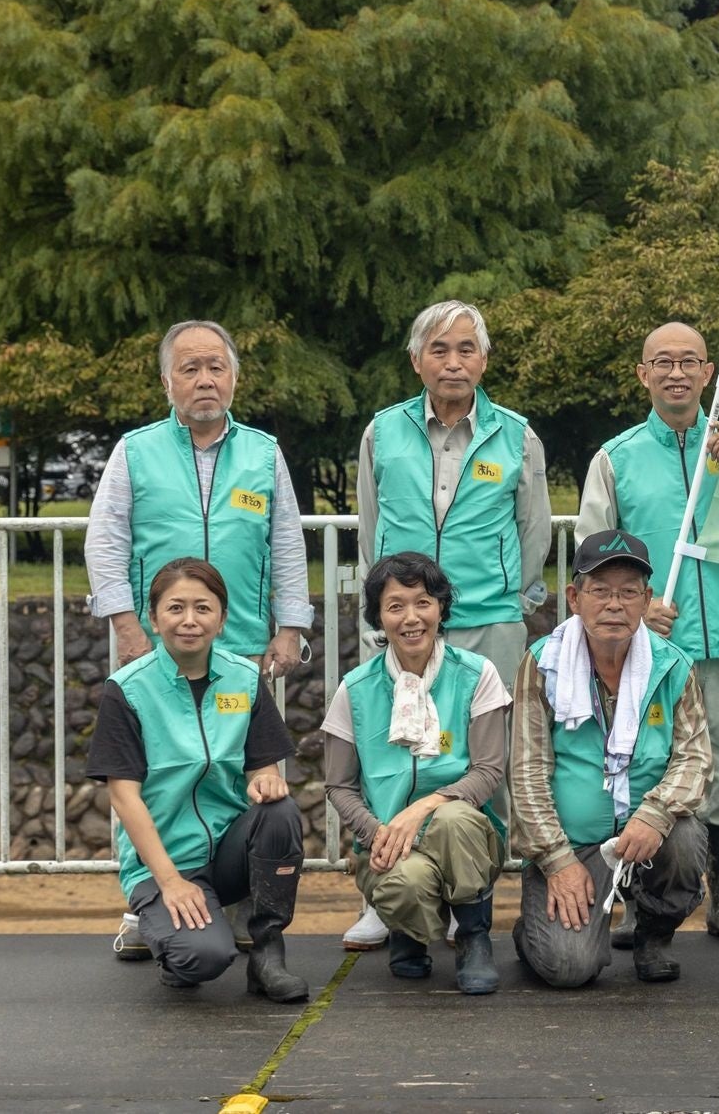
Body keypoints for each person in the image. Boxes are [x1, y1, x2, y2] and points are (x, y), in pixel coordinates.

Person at [85, 319, 314, 961]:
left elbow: (287, 544)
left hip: (240, 650)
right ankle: (148, 901)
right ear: (167, 381)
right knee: (150, 776)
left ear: (234, 377)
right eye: (189, 368)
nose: (204, 379)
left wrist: (291, 627)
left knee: (245, 777)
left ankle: (236, 902)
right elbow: (105, 541)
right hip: (154, 649)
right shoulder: (135, 451)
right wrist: (126, 625)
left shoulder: (263, 454)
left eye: (216, 366)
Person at [351, 299, 549, 950]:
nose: (454, 360)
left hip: (488, 621)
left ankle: (476, 902)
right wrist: (388, 608)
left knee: (483, 761)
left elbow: (533, 532)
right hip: (404, 623)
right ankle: (386, 892)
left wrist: (503, 596)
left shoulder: (517, 436)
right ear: (417, 360)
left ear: (484, 360)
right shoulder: (383, 432)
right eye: (440, 348)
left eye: (467, 348)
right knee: (393, 755)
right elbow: (371, 526)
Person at [578, 321, 719, 949]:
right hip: (649, 650)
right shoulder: (616, 457)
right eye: (663, 362)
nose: (676, 372)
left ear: (710, 371)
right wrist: (635, 608)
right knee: (648, 771)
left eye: (690, 361)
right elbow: (593, 552)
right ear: (643, 374)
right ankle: (644, 904)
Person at [85, 558, 309, 1002]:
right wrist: (169, 881)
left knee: (280, 811)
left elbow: (262, 765)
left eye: (203, 609)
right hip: (163, 862)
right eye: (175, 608)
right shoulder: (126, 689)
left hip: (229, 852)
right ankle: (173, 942)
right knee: (201, 959)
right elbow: (124, 797)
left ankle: (267, 952)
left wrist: (265, 782)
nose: (189, 621)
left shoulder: (244, 679)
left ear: (222, 619)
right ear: (153, 618)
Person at [507, 529, 712, 988]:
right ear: (576, 598)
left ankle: (652, 934)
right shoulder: (542, 665)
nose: (614, 604)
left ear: (647, 600)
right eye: (600, 591)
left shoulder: (673, 665)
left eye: (628, 592)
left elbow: (694, 759)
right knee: (568, 969)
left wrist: (655, 814)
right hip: (573, 844)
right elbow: (526, 774)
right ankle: (534, 930)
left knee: (683, 838)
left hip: (646, 836)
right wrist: (557, 861)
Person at [321, 552, 509, 995]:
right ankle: (409, 934)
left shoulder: (476, 674)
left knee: (454, 818)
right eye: (395, 606)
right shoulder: (356, 688)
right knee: (406, 882)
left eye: (423, 602)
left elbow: (488, 770)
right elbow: (339, 785)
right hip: (384, 839)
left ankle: (473, 937)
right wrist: (377, 832)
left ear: (441, 608)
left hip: (464, 836)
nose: (411, 618)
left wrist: (423, 807)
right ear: (379, 618)